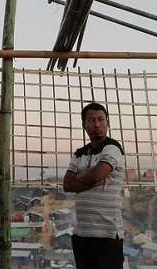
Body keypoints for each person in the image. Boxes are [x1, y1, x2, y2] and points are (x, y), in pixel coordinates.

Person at [63, 103, 125, 269]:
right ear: (84, 125)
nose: (97, 124)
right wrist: (91, 179)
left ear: (107, 122)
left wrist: (83, 178)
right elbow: (67, 184)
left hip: (107, 235)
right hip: (81, 235)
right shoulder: (79, 153)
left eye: (101, 119)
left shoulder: (112, 148)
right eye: (91, 120)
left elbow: (99, 174)